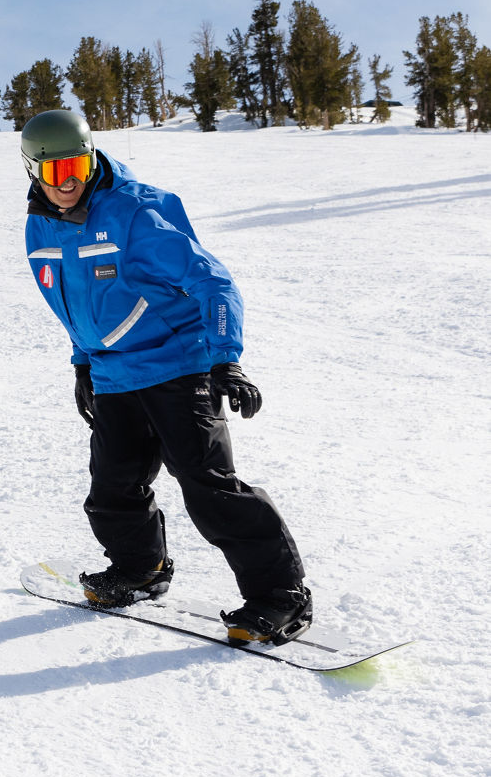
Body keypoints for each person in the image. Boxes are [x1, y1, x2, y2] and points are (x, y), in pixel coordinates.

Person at [20, 110, 311, 645]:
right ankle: (141, 571)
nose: (68, 181)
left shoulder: (135, 212)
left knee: (209, 489)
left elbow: (214, 283)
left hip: (178, 367)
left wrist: (226, 359)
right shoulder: (39, 226)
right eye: (55, 169)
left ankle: (281, 597)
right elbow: (73, 303)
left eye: (78, 166)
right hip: (112, 376)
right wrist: (83, 362)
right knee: (112, 489)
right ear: (32, 169)